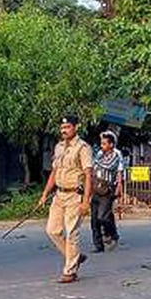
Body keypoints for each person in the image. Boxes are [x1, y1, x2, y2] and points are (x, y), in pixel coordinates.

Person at [38, 113, 92, 283]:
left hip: (75, 195)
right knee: (52, 230)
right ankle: (74, 256)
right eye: (62, 128)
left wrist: (85, 202)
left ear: (75, 128)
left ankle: (70, 270)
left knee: (72, 232)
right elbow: (54, 172)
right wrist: (45, 193)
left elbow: (88, 175)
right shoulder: (59, 147)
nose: (64, 130)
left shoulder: (83, 148)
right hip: (59, 195)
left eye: (67, 127)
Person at [90, 130, 124, 253]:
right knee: (94, 220)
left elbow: (116, 169)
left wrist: (120, 185)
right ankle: (98, 245)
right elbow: (93, 168)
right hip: (96, 188)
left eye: (104, 143)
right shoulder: (99, 154)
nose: (102, 146)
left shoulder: (116, 155)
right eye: (101, 143)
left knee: (102, 217)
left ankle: (112, 233)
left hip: (108, 189)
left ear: (111, 144)